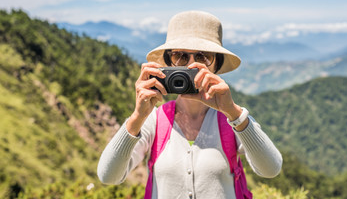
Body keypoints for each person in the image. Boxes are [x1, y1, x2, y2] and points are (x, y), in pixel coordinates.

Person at [97, 11, 283, 198]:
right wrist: (138, 116)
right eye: (180, 56)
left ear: (216, 65)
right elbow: (108, 176)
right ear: (168, 62)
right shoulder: (154, 120)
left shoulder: (231, 119)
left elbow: (270, 169)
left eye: (203, 57)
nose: (191, 66)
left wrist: (234, 113)